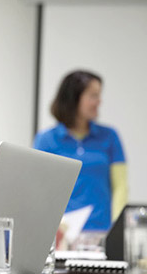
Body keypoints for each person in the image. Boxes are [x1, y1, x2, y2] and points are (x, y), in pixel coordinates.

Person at [34, 70, 128, 231]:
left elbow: (121, 187)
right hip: (61, 234)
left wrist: (117, 228)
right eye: (93, 96)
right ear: (73, 98)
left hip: (101, 231)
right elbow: (39, 191)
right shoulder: (46, 140)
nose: (99, 101)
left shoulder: (110, 137)